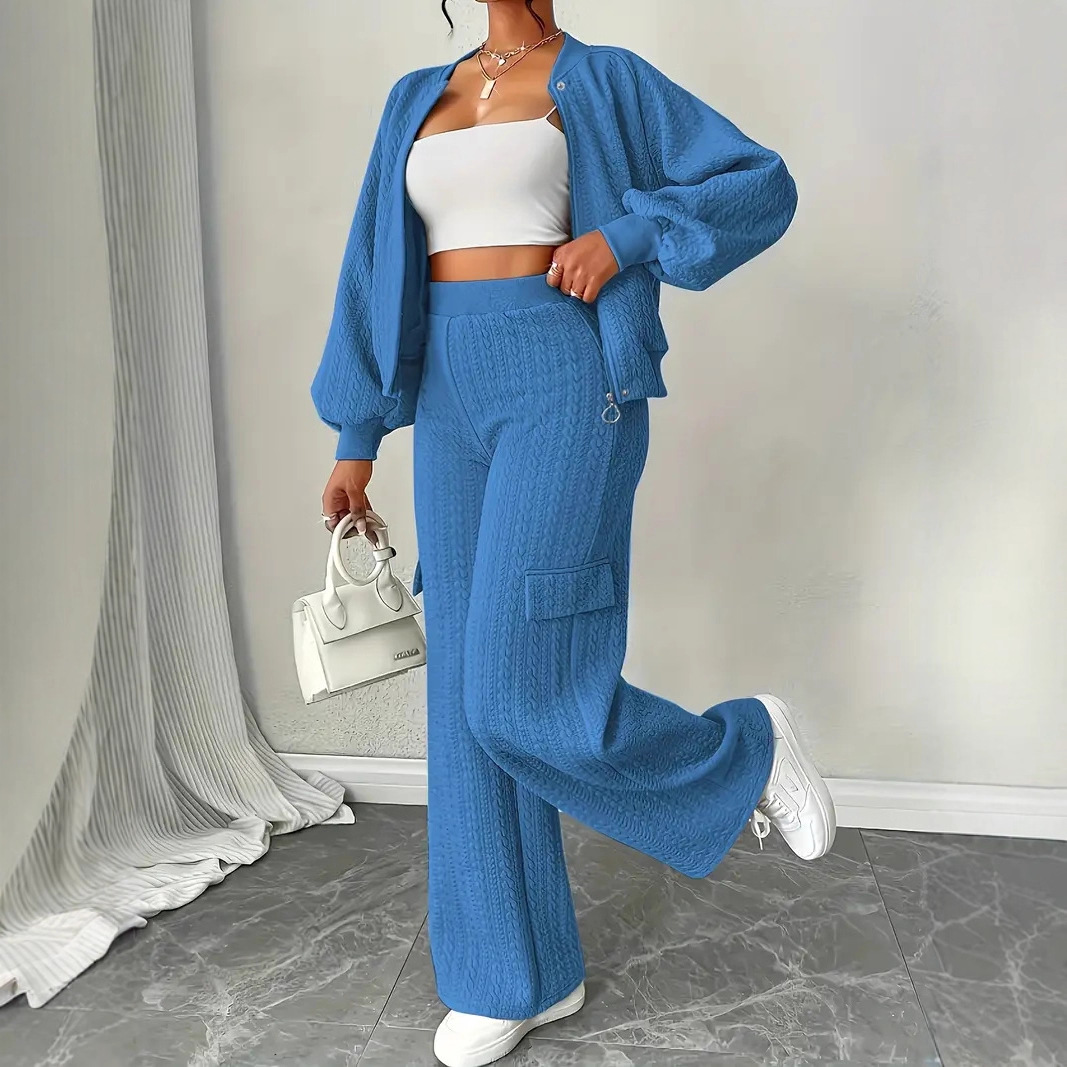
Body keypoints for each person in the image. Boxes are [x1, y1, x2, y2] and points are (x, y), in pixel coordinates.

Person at [312, 3, 834, 1064]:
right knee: (467, 695)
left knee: (519, 683)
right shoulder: (414, 99)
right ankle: (514, 974)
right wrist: (356, 438)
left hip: (564, 376)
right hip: (448, 398)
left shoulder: (604, 79)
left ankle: (742, 751)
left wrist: (626, 237)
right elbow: (372, 264)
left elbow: (757, 183)